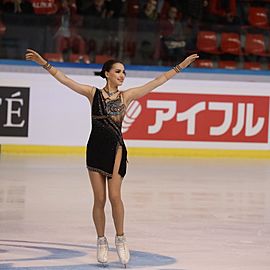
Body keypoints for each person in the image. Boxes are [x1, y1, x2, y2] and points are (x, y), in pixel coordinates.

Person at [25, 48, 199, 267]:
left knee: (115, 197)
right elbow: (65, 80)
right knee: (99, 199)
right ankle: (101, 241)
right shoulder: (92, 93)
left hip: (116, 149)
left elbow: (158, 81)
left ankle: (121, 238)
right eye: (118, 71)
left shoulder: (127, 96)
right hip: (95, 149)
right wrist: (44, 62)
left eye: (124, 72)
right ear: (107, 73)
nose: (122, 76)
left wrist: (180, 66)